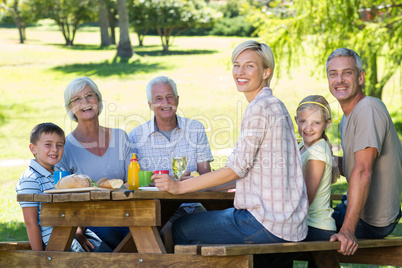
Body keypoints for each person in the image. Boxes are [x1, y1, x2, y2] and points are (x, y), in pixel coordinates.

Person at [153, 41, 308, 266]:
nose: (240, 72)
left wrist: (179, 187)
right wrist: (199, 182)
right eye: (237, 65)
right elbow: (243, 170)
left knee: (181, 228)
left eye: (249, 66)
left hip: (266, 224)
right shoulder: (275, 105)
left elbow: (236, 169)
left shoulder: (259, 107)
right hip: (290, 224)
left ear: (266, 72)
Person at [326, 48, 402, 256]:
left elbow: (363, 171)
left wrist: (348, 230)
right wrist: (320, 157)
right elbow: (353, 164)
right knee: (294, 223)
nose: (339, 80)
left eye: (347, 73)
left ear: (360, 77)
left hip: (372, 221)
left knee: (292, 231)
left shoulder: (369, 108)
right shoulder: (346, 118)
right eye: (333, 74)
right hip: (353, 207)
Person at [128, 75, 214, 252]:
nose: (165, 102)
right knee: (164, 234)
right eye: (158, 99)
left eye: (169, 97)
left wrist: (193, 181)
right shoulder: (136, 136)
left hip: (192, 206)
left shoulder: (195, 129)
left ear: (177, 100)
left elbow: (206, 174)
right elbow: (133, 182)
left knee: (212, 235)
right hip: (156, 210)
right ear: (150, 105)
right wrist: (152, 182)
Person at [59, 77, 131, 250]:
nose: (85, 102)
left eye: (90, 95)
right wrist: (76, 229)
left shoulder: (120, 137)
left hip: (127, 213)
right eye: (77, 99)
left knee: (147, 236)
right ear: (71, 108)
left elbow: (134, 182)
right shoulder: (65, 147)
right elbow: (61, 193)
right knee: (107, 240)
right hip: (91, 220)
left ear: (98, 100)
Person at [16, 122, 112, 252]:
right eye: (48, 144)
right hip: (56, 241)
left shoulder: (62, 173)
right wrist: (40, 259)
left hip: (74, 233)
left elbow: (74, 208)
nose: (55, 149)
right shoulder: (30, 179)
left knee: (107, 254)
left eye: (59, 145)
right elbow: (30, 223)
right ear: (33, 149)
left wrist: (78, 232)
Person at [295, 95, 338, 242]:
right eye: (303, 121)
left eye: (316, 123)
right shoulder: (302, 145)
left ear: (327, 124)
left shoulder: (318, 151)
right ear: (296, 120)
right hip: (305, 223)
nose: (308, 128)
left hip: (316, 227)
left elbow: (306, 198)